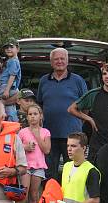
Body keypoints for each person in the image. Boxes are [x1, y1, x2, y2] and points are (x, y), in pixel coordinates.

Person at [37, 47, 88, 181]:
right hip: (49, 136)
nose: (59, 61)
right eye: (56, 59)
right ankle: (50, 201)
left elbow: (86, 106)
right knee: (49, 175)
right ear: (51, 62)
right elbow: (39, 105)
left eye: (62, 58)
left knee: (72, 173)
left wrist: (77, 123)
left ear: (67, 60)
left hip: (72, 136)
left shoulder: (78, 80)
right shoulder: (44, 80)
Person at [18, 104, 51, 203]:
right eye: (30, 114)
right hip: (25, 166)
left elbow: (47, 150)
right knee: (23, 195)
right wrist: (25, 147)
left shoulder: (45, 132)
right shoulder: (22, 132)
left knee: (33, 196)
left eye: (35, 114)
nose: (32, 117)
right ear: (27, 117)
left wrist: (37, 135)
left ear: (40, 116)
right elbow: (15, 149)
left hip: (38, 167)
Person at [0, 40, 22, 121]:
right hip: (10, 87)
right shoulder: (11, 61)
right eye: (6, 48)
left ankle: (7, 121)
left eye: (11, 47)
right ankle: (12, 122)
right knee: (9, 106)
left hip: (6, 87)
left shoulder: (13, 61)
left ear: (17, 49)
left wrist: (7, 90)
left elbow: (12, 76)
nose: (9, 49)